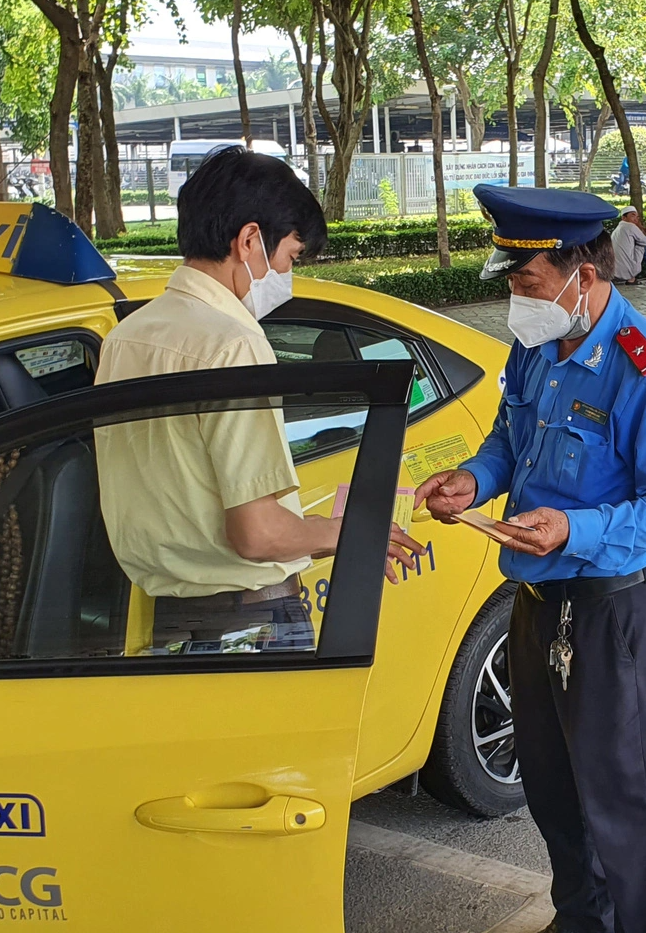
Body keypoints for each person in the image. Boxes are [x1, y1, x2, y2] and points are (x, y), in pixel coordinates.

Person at [414, 184, 646, 933]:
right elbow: (511, 437)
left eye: (529, 278)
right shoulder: (535, 346)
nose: (517, 294)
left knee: (625, 791)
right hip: (537, 599)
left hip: (612, 611)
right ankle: (586, 915)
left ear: (584, 270)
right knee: (550, 778)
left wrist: (574, 528)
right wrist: (477, 476)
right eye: (511, 277)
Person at [95, 147, 418, 651]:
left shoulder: (127, 337)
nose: (288, 275)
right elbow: (257, 534)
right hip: (249, 624)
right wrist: (348, 532)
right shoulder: (234, 344)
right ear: (249, 240)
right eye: (290, 256)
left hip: (166, 623)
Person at [610, 205, 646, 282]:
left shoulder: (616, 230)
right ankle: (631, 278)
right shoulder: (630, 226)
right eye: (633, 215)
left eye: (637, 217)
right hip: (629, 271)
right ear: (624, 218)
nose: (636, 219)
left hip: (614, 272)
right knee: (641, 245)